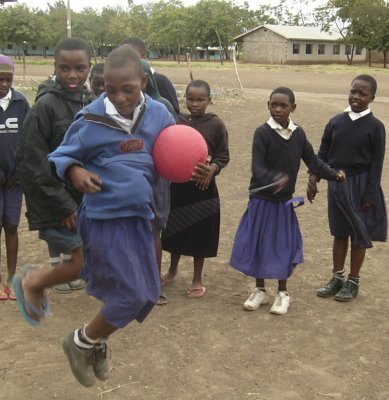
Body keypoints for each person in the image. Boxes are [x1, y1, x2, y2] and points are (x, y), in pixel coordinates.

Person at [16, 46, 175, 387]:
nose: (119, 97)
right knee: (130, 294)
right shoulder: (89, 119)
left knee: (147, 293)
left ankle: (96, 341)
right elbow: (60, 156)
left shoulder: (160, 115)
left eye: (127, 89)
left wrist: (196, 165)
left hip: (139, 217)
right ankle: (80, 343)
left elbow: (173, 152)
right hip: (105, 218)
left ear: (143, 82)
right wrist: (74, 171)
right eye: (110, 89)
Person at [230, 87, 345, 315]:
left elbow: (313, 162)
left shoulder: (298, 134)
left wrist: (334, 174)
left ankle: (283, 293)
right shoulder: (262, 133)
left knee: (281, 246)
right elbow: (257, 167)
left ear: (293, 108)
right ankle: (260, 290)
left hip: (283, 204)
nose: (278, 109)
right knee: (260, 245)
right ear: (268, 105)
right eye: (274, 105)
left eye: (283, 106)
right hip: (261, 200)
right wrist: (274, 178)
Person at [15, 37, 95, 296]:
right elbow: (34, 161)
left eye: (80, 68)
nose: (72, 75)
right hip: (56, 197)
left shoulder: (92, 102)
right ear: (55, 67)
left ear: (89, 67)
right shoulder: (45, 106)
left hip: (85, 197)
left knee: (84, 248)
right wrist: (62, 203)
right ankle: (34, 282)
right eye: (64, 68)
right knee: (71, 244)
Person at [312, 74, 387, 302]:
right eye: (353, 91)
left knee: (358, 233)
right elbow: (322, 154)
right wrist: (314, 178)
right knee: (339, 232)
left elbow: (377, 163)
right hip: (337, 183)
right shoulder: (336, 121)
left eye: (362, 93)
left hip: (361, 184)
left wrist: (370, 194)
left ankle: (353, 281)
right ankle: (337, 277)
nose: (356, 96)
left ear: (371, 98)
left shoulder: (375, 127)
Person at [161, 79, 229, 298]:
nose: (195, 104)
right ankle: (172, 270)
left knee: (201, 234)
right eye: (190, 99)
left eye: (200, 100)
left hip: (203, 188)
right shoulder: (176, 121)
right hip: (178, 187)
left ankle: (197, 278)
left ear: (209, 100)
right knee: (175, 229)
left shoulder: (215, 124)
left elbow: (223, 156)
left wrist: (213, 169)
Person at [0, 55, 30, 301]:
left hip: (14, 181)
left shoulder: (21, 103)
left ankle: (10, 280)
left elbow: (28, 140)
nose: (3, 84)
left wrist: (17, 172)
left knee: (11, 226)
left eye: (8, 79)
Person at [119, 36, 180, 114]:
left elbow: (174, 112)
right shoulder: (116, 82)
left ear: (143, 55)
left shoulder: (161, 81)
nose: (124, 59)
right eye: (120, 55)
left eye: (130, 55)